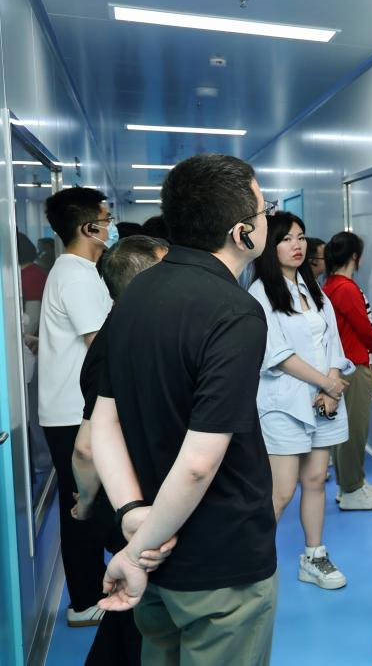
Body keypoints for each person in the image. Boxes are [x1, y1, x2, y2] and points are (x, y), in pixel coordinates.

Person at [91, 154, 278, 665]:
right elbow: (198, 462)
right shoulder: (235, 312)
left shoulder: (136, 291)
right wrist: (136, 554)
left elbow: (103, 422)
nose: (268, 219)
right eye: (265, 210)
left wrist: (132, 515)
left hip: (154, 551)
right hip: (219, 561)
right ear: (242, 233)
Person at [72, 235, 169, 666]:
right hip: (127, 499)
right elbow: (87, 447)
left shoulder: (128, 333)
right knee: (134, 614)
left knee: (135, 615)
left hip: (136, 497)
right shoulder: (116, 346)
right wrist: (86, 503)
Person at [249, 212, 353, 590]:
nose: (297, 245)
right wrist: (327, 383)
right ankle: (251, 566)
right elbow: (277, 355)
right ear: (269, 246)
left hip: (322, 400)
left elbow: (333, 343)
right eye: (286, 239)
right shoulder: (261, 293)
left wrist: (330, 385)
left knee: (315, 480)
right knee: (281, 491)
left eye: (301, 237)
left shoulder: (314, 290)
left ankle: (314, 557)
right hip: (284, 404)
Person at [38, 187, 115, 627]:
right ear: (89, 228)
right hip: (73, 413)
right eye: (106, 219)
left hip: (70, 409)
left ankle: (90, 589)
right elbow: (101, 347)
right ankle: (85, 601)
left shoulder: (78, 271)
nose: (110, 226)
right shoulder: (78, 276)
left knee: (85, 505)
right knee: (83, 506)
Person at [323, 232, 372, 510]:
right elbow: (364, 327)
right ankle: (352, 489)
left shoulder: (330, 286)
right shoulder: (346, 288)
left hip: (344, 364)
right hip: (355, 365)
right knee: (354, 430)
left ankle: (350, 483)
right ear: (354, 256)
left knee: (344, 430)